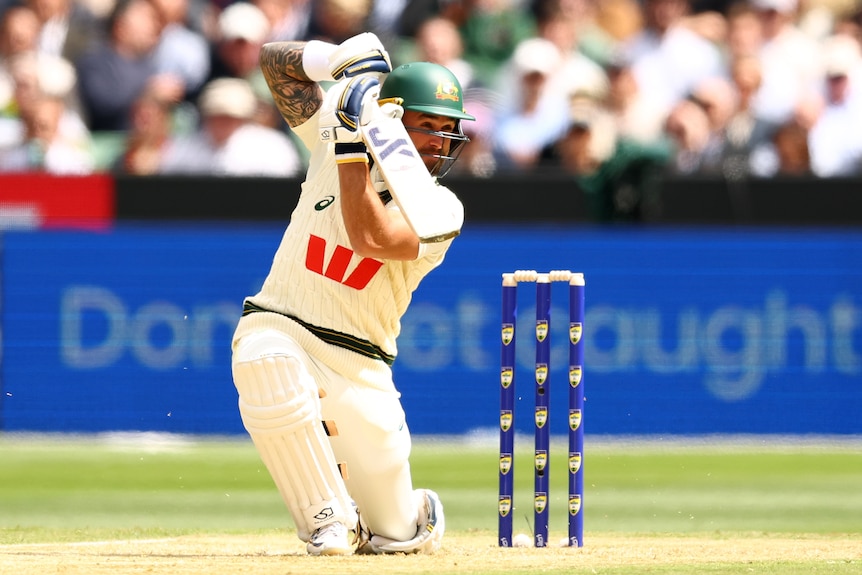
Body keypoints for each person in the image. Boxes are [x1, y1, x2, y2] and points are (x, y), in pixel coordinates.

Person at [230, 32, 473, 555]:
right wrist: (335, 60)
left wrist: (347, 143)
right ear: (391, 119)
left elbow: (373, 238)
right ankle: (329, 521)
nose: (437, 141)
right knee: (261, 358)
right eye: (425, 125)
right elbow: (274, 62)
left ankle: (408, 517)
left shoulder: (441, 208)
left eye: (446, 130)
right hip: (283, 322)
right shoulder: (329, 137)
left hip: (362, 365)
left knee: (394, 537)